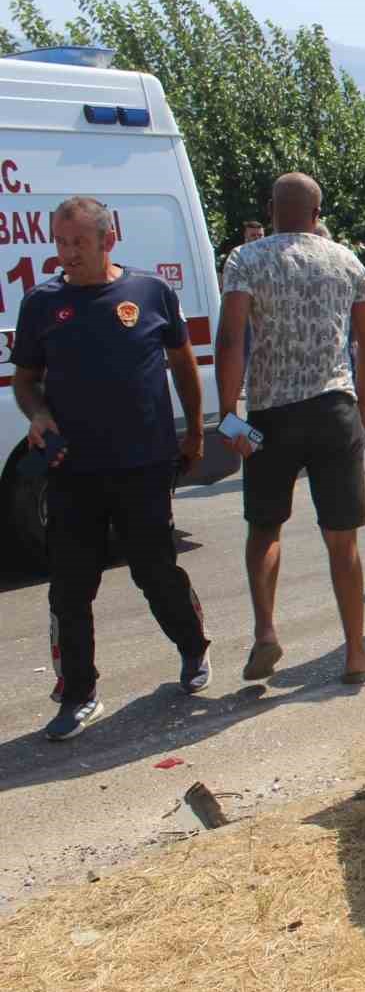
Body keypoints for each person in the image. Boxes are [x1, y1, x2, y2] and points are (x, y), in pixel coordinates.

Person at [10, 197, 212, 740]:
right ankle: (78, 693)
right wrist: (39, 414)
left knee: (154, 572)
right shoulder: (41, 304)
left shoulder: (148, 293)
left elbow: (183, 365)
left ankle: (193, 648)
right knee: (70, 588)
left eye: (78, 242)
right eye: (60, 242)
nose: (67, 253)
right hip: (73, 471)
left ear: (107, 241)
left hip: (142, 465)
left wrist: (193, 431)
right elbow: (25, 381)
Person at [216, 172, 365, 684]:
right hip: (335, 410)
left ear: (271, 209)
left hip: (271, 414)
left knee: (265, 527)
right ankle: (356, 655)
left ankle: (266, 632)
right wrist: (361, 409)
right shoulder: (346, 261)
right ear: (318, 213)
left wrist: (229, 415)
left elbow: (231, 341)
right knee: (343, 540)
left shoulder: (246, 260)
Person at [313, 220, 365, 470]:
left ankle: (338, 447)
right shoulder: (348, 266)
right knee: (359, 393)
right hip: (349, 345)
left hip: (323, 354)